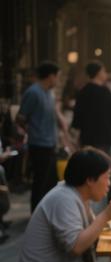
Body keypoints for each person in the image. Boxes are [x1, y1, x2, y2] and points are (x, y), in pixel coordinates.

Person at [16, 61, 71, 211]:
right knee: (40, 181)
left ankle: (47, 211)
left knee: (50, 181)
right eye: (57, 77)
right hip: (38, 144)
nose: (58, 80)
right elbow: (20, 117)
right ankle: (36, 212)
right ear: (50, 76)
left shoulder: (50, 93)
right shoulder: (33, 92)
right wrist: (32, 131)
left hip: (51, 143)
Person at [72, 60, 111, 158]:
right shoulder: (106, 92)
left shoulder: (82, 92)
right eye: (104, 71)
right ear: (98, 73)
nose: (106, 74)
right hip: (104, 137)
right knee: (104, 163)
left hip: (87, 137)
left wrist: (76, 138)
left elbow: (77, 118)